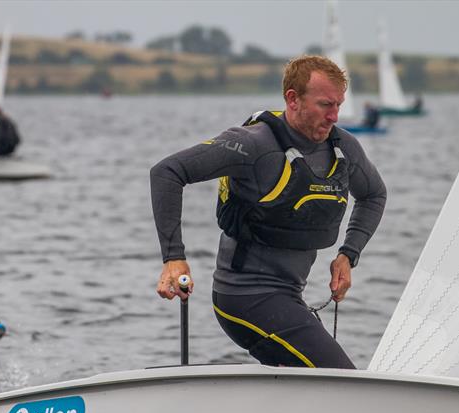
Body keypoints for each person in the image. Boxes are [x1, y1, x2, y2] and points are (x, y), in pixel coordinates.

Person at [151, 55, 387, 369]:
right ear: (293, 99)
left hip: (289, 297)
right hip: (244, 298)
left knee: (314, 384)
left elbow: (373, 194)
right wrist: (173, 257)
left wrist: (348, 254)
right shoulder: (252, 145)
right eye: (324, 105)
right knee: (343, 379)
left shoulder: (343, 148)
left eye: (338, 105)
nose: (334, 116)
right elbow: (167, 172)